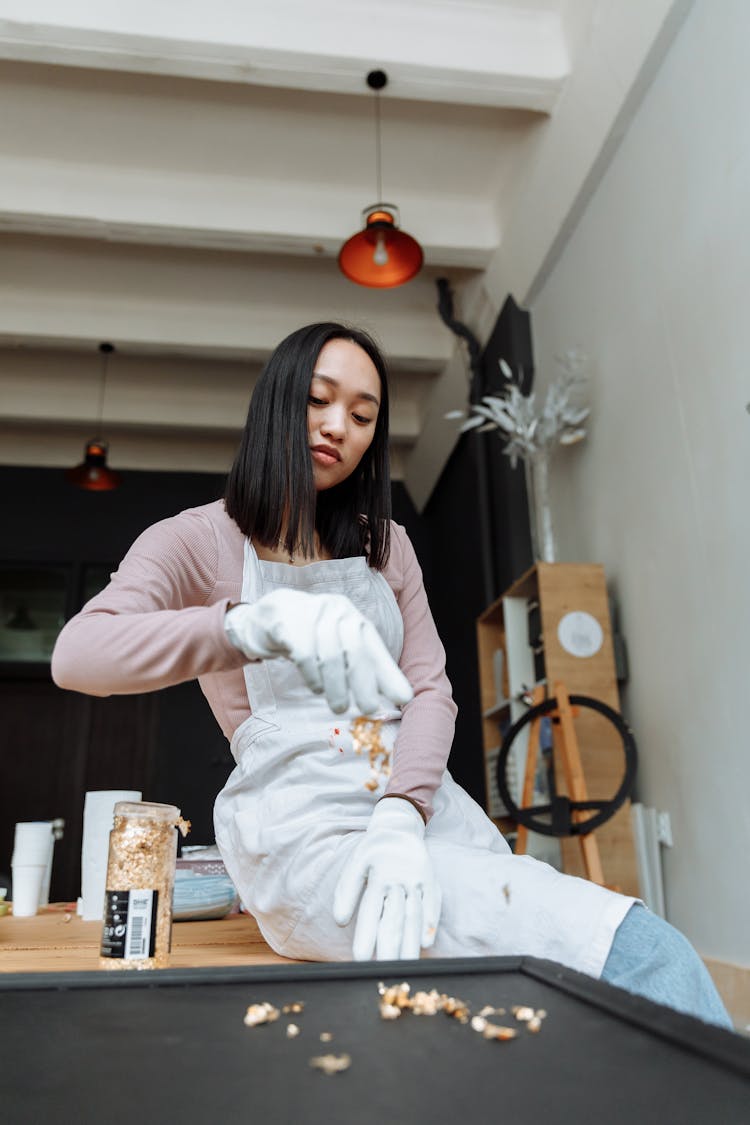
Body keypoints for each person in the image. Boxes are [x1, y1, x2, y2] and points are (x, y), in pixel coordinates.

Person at [52, 322, 731, 1028]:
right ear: (276, 402)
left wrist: (403, 811)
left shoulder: (387, 545)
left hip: (421, 816)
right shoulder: (196, 540)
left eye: (363, 415)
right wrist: (247, 624)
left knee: (527, 1003)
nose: (337, 426)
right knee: (646, 953)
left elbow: (431, 690)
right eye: (319, 400)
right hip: (308, 837)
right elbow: (80, 656)